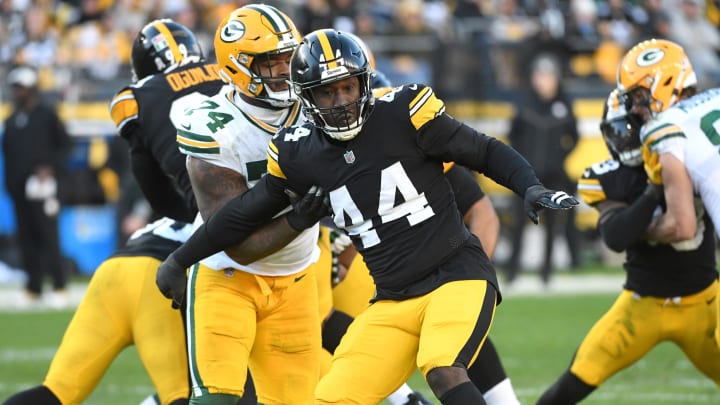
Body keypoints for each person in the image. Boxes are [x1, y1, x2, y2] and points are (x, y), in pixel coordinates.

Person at [157, 29, 578, 404]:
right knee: (331, 397)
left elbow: (483, 150)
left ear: (364, 82)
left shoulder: (404, 112)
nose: (341, 102)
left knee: (443, 367)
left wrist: (530, 185)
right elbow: (242, 214)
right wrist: (181, 258)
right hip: (392, 297)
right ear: (305, 96)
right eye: (326, 92)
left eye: (347, 87)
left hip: (456, 275)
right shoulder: (299, 151)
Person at [1, 19, 234, 405]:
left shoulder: (140, 97)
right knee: (200, 392)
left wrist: (181, 213)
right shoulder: (230, 79)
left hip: (122, 265)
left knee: (55, 392)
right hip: (169, 272)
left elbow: (152, 186)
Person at [163, 5, 325, 404]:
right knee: (216, 401)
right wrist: (299, 219)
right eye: (272, 62)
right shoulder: (214, 125)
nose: (286, 71)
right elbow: (234, 239)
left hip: (299, 280)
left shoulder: (318, 106)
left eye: (290, 58)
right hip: (228, 279)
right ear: (238, 68)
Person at [537, 88, 720, 404]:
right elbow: (616, 236)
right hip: (641, 307)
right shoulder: (607, 176)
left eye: (631, 131)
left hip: (706, 302)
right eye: (618, 131)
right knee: (568, 388)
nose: (625, 140)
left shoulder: (684, 153)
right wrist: (653, 190)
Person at [617, 38, 720, 240]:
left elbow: (681, 226)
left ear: (663, 82)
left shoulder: (663, 129)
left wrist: (642, 232)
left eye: (638, 96)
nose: (635, 108)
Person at [505, 53, 582, 284]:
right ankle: (511, 271)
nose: (542, 81)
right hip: (526, 177)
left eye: (547, 76)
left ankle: (546, 273)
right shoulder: (525, 104)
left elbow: (574, 137)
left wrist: (560, 157)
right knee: (518, 222)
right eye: (539, 75)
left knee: (551, 226)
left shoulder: (564, 105)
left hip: (553, 175)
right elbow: (512, 135)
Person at [1, 64, 71, 308]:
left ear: (31, 88)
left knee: (48, 236)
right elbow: (9, 155)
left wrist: (50, 167)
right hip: (19, 189)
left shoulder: (46, 114)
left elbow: (65, 145)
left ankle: (59, 285)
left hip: (45, 187)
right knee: (26, 238)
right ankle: (34, 287)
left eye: (21, 87)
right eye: (15, 88)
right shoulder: (11, 120)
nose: (17, 92)